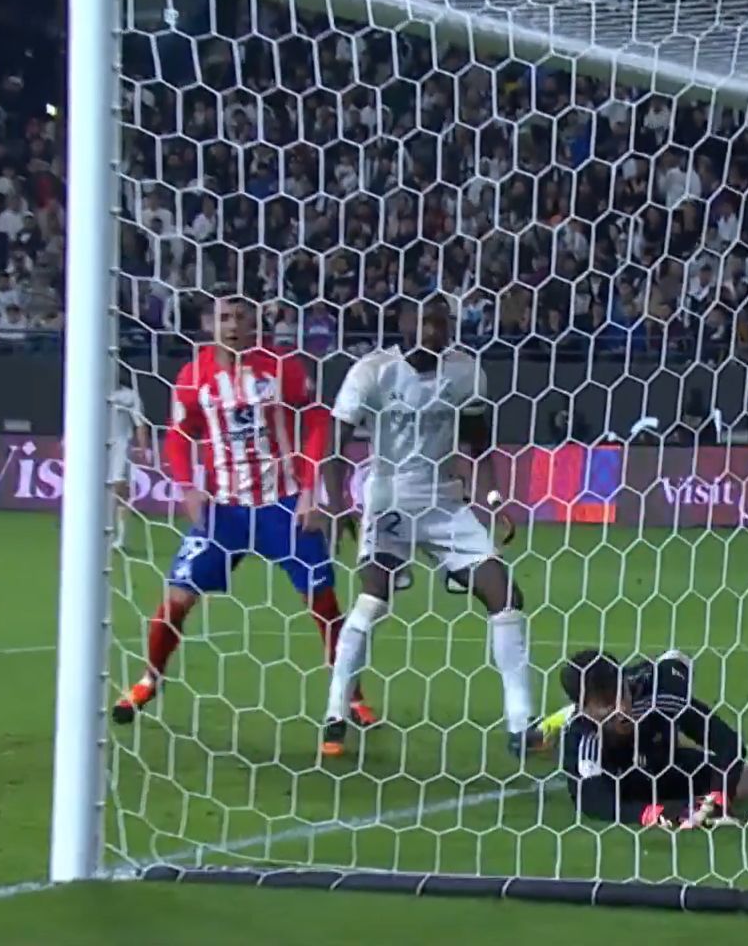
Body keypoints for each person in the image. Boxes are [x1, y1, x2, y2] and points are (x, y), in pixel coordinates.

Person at [113, 294, 373, 728]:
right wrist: (187, 487)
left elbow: (316, 421)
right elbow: (178, 436)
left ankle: (350, 695)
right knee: (177, 597)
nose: (233, 325)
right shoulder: (193, 376)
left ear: (254, 324)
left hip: (283, 504)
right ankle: (149, 679)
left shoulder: (282, 366)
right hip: (224, 511)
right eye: (224, 317)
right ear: (209, 324)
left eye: (241, 317)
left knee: (323, 602)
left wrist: (310, 489)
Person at [320, 298, 543, 759]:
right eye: (425, 320)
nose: (435, 330)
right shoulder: (372, 372)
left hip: (444, 501)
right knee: (374, 599)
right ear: (403, 322)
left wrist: (494, 500)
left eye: (442, 322)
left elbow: (479, 446)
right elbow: (334, 447)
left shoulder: (465, 373)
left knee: (505, 595)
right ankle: (336, 711)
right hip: (390, 498)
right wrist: (338, 506)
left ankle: (521, 723)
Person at [559, 649, 748, 828]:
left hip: (665, 764)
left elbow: (728, 743)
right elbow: (594, 802)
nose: (621, 709)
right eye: (607, 704)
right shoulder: (581, 736)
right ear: (584, 709)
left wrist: (718, 798)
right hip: (625, 786)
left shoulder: (659, 699)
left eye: (622, 694)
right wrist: (656, 813)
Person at [108, 372, 150, 550]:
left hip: (120, 447)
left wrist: (143, 447)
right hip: (96, 448)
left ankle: (121, 539)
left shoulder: (129, 396)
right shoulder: (93, 392)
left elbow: (140, 423)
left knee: (120, 490)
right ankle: (102, 533)